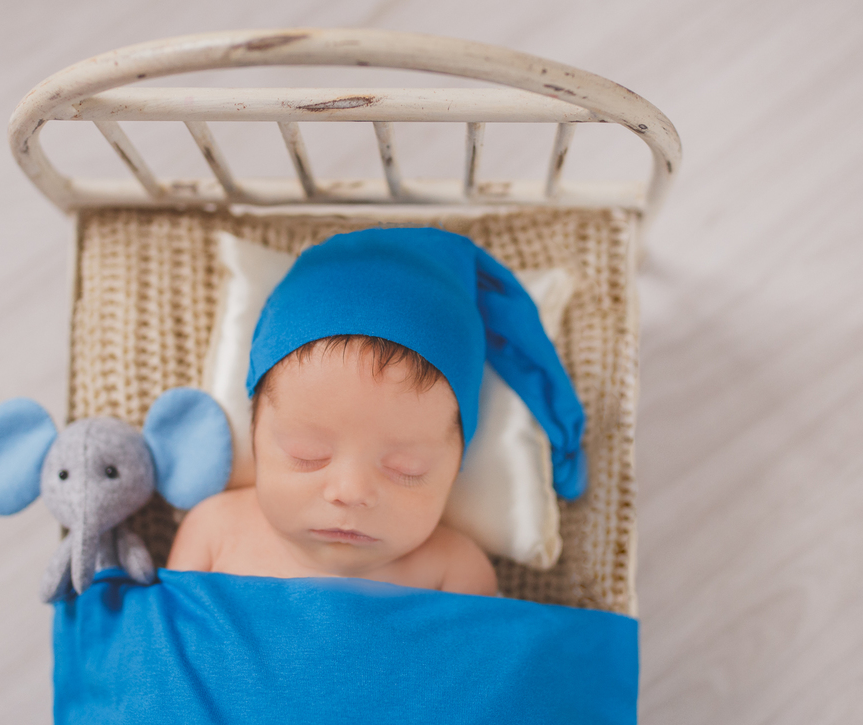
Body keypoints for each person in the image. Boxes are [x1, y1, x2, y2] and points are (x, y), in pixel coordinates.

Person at [167, 226, 587, 595]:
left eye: (407, 468)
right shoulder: (214, 532)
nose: (350, 492)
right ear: (255, 435)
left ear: (457, 464)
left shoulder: (453, 573)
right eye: (307, 453)